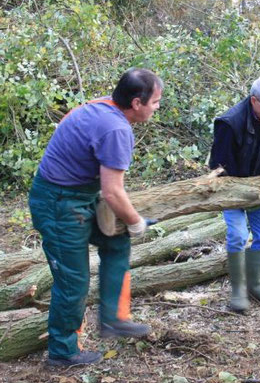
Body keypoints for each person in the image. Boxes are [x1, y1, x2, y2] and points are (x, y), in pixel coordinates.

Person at [29, 68, 162, 366]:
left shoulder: (104, 106)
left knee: (116, 242)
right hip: (59, 204)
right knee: (73, 280)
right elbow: (113, 192)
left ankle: (115, 318)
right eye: (155, 101)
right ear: (137, 102)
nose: (157, 107)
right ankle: (62, 352)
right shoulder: (116, 129)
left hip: (80, 196)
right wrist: (135, 221)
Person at [209, 76, 260, 312]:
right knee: (237, 235)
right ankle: (237, 292)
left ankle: (256, 286)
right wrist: (238, 191)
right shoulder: (230, 122)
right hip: (231, 187)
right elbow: (219, 165)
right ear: (254, 101)